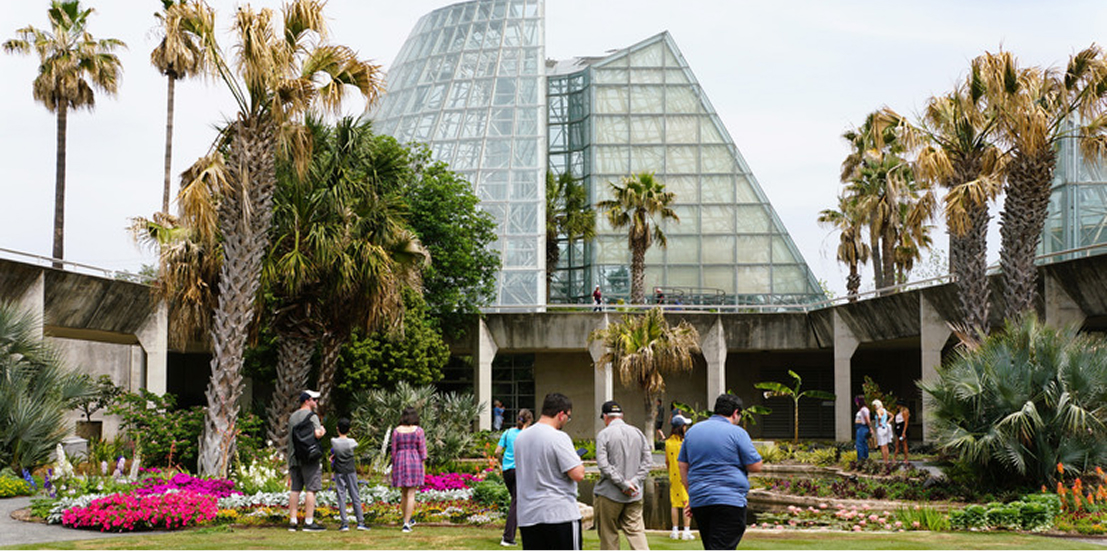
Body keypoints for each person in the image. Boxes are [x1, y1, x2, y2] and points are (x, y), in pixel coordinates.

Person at [678, 393, 762, 550]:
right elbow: (755, 465)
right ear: (735, 413)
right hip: (729, 500)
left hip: (701, 500)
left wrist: (692, 493)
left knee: (713, 545)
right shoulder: (737, 433)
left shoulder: (692, 432)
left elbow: (682, 465)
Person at [514, 393, 585, 550]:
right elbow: (578, 474)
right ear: (561, 414)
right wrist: (578, 461)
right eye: (568, 417)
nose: (566, 421)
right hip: (559, 513)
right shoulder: (558, 437)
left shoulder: (521, 438)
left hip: (529, 516)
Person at [593, 400, 652, 550]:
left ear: (605, 416)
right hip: (634, 493)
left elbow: (603, 465)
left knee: (609, 535)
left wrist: (623, 483)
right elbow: (647, 462)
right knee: (636, 533)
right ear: (621, 415)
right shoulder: (638, 432)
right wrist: (635, 482)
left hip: (609, 494)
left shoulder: (604, 435)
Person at [288, 390, 326, 532]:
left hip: (294, 457)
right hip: (309, 458)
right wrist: (323, 430)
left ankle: (293, 521)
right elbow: (317, 434)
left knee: (295, 489)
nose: (316, 402)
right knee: (311, 489)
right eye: (314, 399)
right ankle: (308, 522)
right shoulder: (312, 416)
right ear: (307, 401)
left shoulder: (292, 416)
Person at [496, 408, 533, 547]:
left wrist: (502, 463)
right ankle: (507, 537)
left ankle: (526, 533)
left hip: (507, 471)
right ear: (529, 421)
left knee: (519, 503)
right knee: (517, 504)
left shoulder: (507, 433)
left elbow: (497, 451)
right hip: (520, 471)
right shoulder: (527, 435)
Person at [391, 406, 427, 533]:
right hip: (414, 460)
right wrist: (423, 467)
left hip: (400, 460)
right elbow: (422, 451)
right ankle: (406, 523)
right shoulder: (418, 431)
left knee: (404, 493)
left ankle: (406, 519)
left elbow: (393, 451)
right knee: (411, 493)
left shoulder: (396, 431)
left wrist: (394, 466)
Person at [331, 417, 368, 532]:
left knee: (341, 495)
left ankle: (344, 523)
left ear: (337, 428)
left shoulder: (334, 441)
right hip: (350, 470)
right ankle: (360, 522)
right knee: (355, 495)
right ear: (349, 429)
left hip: (339, 470)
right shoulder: (352, 442)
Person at [665, 415, 693, 541]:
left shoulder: (668, 442)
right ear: (681, 427)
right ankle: (686, 531)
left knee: (674, 503)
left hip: (673, 476)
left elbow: (667, 461)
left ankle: (675, 530)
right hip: (685, 475)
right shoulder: (685, 443)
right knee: (686, 502)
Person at [872, 399, 892, 463]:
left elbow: (879, 417)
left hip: (880, 428)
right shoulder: (884, 410)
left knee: (882, 446)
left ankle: (885, 461)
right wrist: (887, 422)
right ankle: (887, 460)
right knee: (886, 446)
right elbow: (892, 415)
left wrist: (879, 422)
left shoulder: (878, 410)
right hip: (885, 428)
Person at [853, 395, 871, 461]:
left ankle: (861, 459)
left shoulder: (864, 410)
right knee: (862, 443)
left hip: (862, 427)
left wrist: (870, 428)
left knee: (860, 444)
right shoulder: (861, 410)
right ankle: (864, 458)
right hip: (859, 427)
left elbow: (867, 420)